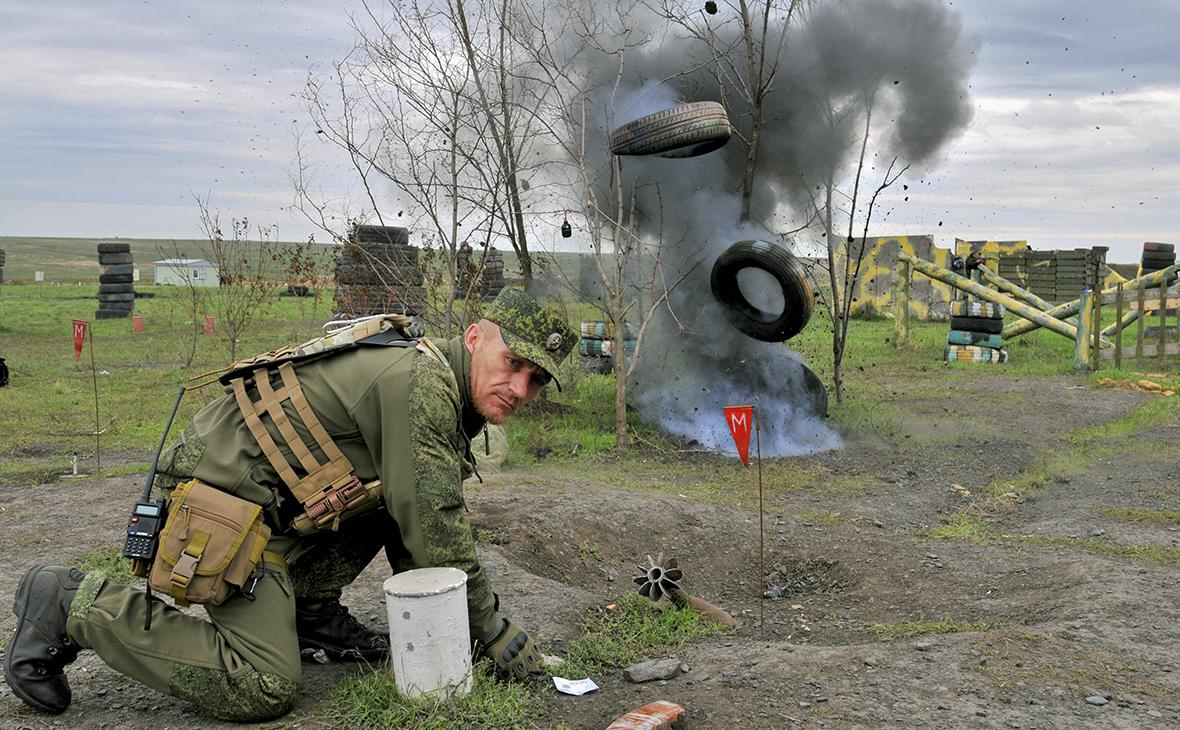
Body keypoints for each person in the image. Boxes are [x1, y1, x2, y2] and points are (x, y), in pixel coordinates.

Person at [3, 288, 577, 721]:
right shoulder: (423, 383)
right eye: (512, 364)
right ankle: (73, 604)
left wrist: (455, 626)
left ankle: (307, 611)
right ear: (475, 337)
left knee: (392, 499)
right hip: (219, 511)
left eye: (537, 379)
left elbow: (411, 523)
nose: (521, 389)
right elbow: (436, 531)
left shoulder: (431, 372)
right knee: (264, 686)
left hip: (272, 508)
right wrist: (494, 634)